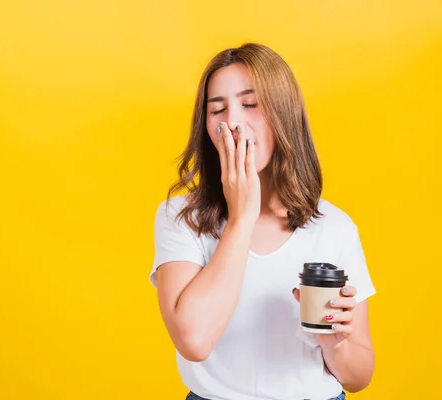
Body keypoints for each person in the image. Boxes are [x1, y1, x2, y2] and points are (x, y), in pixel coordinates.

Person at [149, 43, 376, 400]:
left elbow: (359, 376)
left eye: (251, 104)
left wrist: (335, 345)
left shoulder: (334, 226)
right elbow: (193, 341)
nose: (232, 123)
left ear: (285, 115)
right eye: (217, 110)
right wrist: (241, 218)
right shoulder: (181, 218)